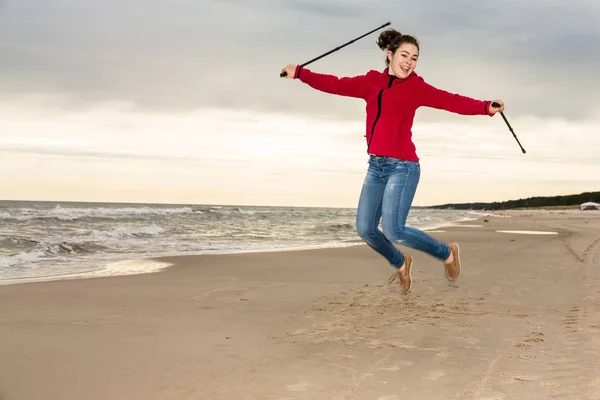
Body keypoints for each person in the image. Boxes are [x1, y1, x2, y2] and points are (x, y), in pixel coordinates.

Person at [280, 28, 505, 294]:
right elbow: (336, 84)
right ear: (390, 55)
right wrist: (301, 73)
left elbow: (450, 100)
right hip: (376, 167)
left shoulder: (416, 87)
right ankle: (400, 263)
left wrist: (484, 106)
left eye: (414, 58)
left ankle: (448, 253)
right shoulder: (370, 82)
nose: (409, 62)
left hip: (403, 167)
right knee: (365, 229)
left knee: (394, 230)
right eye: (404, 55)